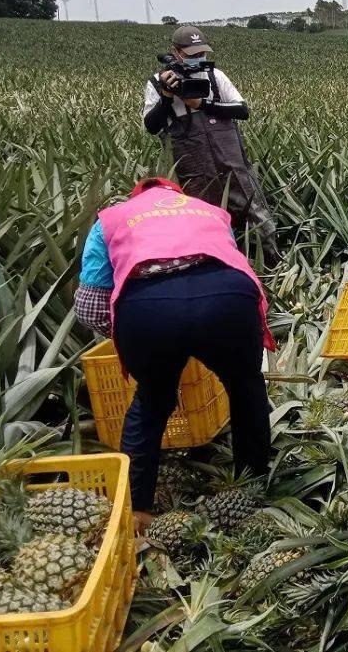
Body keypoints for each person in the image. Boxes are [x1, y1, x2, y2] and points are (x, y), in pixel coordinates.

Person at [74, 177, 275, 529]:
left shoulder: (110, 219)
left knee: (151, 402)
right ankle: (254, 483)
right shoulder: (209, 211)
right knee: (246, 389)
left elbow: (90, 309)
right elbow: (231, 263)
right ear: (178, 197)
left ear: (138, 198)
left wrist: (143, 343)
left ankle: (138, 511)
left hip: (149, 309)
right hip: (228, 299)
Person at [141, 25, 279, 266]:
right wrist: (166, 98)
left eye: (201, 53)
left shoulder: (215, 76)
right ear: (176, 52)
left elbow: (242, 110)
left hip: (232, 164)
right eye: (192, 54)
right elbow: (151, 126)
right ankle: (217, 270)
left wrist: (201, 104)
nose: (198, 59)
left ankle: (271, 263)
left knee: (255, 214)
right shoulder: (156, 83)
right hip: (193, 172)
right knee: (201, 223)